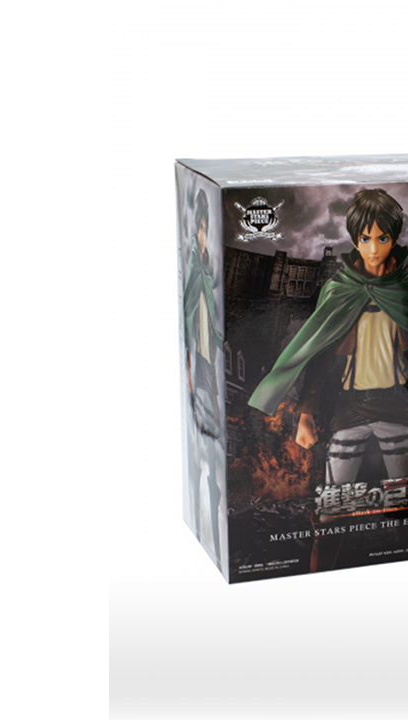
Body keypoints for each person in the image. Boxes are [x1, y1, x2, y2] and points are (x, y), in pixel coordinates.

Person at [249, 189, 408, 567]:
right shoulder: (341, 288)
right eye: (365, 238)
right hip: (350, 408)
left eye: (382, 238)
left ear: (394, 237)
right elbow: (321, 353)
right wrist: (306, 413)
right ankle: (319, 576)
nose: (374, 248)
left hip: (395, 403)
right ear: (354, 238)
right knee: (331, 508)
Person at [182, 188, 225, 564]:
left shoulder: (207, 261)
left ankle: (213, 521)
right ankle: (203, 522)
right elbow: (188, 313)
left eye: (207, 228)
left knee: (215, 444)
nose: (204, 234)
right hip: (198, 360)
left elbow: (210, 311)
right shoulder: (194, 264)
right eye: (201, 227)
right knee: (204, 444)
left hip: (209, 360)